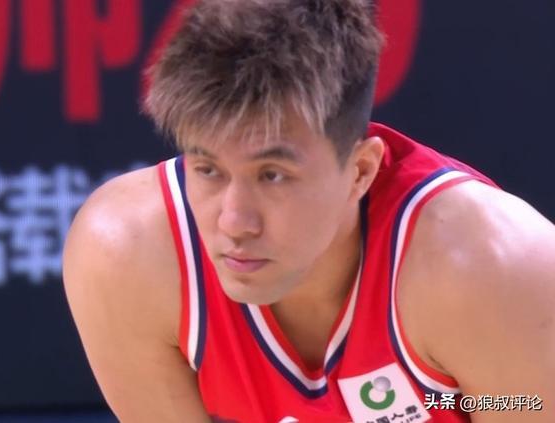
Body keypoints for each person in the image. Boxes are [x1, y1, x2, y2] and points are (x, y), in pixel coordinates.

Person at [62, 0, 555, 421]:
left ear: (360, 171)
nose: (233, 222)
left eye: (272, 175)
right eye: (208, 169)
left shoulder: (493, 269)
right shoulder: (126, 254)